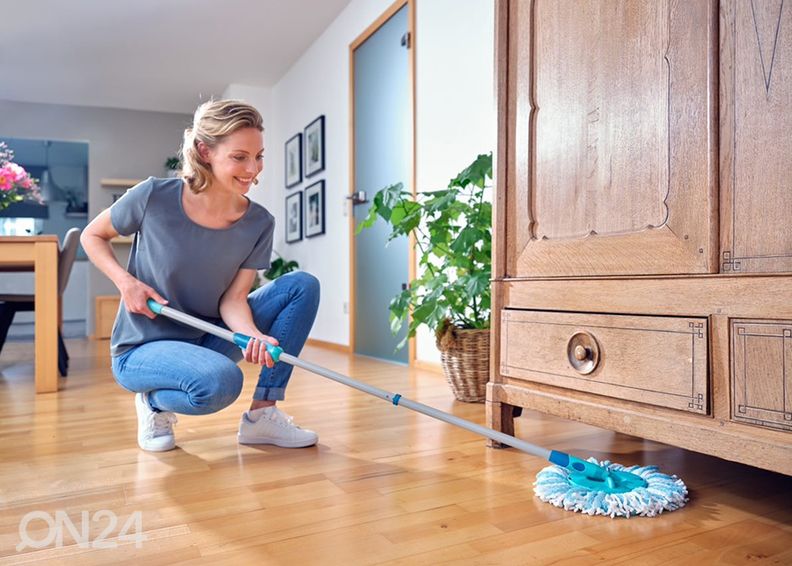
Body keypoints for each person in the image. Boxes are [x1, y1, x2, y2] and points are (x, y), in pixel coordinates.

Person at [81, 99, 320, 452]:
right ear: (205, 151)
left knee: (301, 286)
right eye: (239, 157)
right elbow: (92, 235)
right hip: (143, 348)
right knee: (222, 383)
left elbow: (233, 299)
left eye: (258, 156)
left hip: (208, 338)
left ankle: (262, 415)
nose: (253, 169)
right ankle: (152, 403)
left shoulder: (259, 222)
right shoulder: (154, 196)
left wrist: (253, 335)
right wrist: (126, 282)